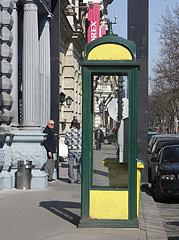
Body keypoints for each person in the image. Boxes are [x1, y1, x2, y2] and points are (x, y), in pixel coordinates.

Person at [65, 119, 82, 184]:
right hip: (79, 150)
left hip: (71, 150)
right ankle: (79, 180)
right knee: (79, 165)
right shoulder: (80, 132)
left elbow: (66, 142)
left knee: (70, 165)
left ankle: (71, 179)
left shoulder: (68, 131)